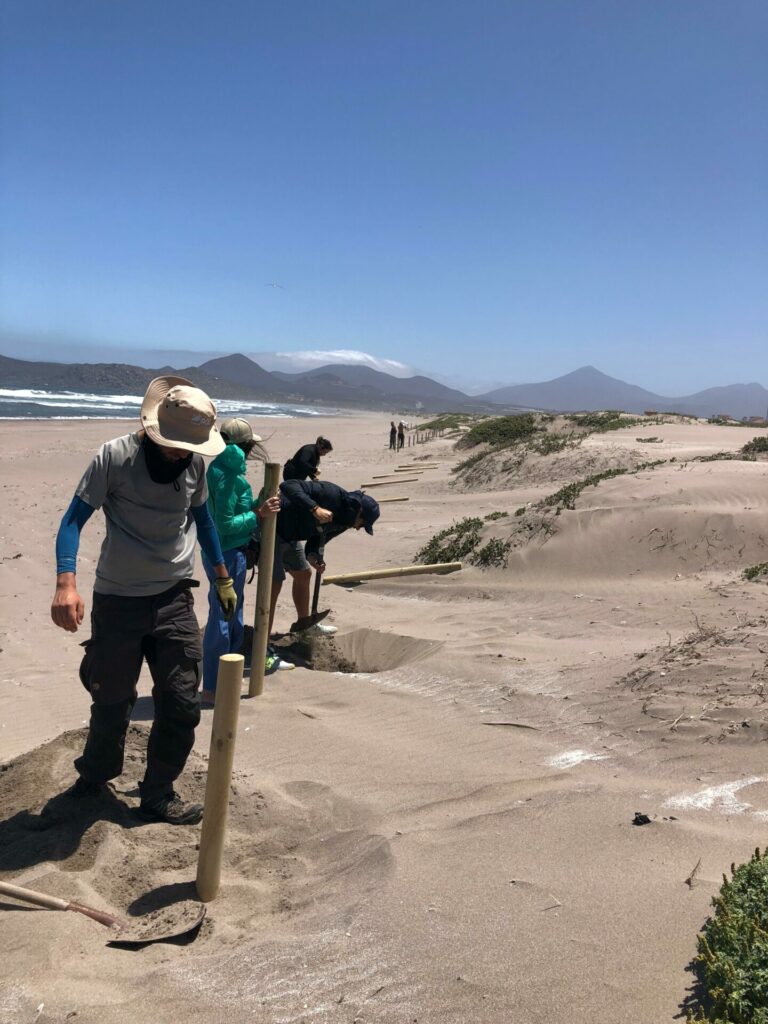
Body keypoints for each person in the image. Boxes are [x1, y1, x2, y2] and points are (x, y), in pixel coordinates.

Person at [51, 376, 237, 826]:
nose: (181, 454)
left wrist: (222, 576)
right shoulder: (114, 457)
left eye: (189, 447)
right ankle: (94, 779)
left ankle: (158, 792)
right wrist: (66, 584)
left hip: (174, 597)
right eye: (174, 445)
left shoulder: (194, 465)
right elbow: (73, 521)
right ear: (154, 432)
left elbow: (204, 523)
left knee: (181, 702)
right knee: (112, 699)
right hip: (118, 600)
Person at [202, 417, 293, 703]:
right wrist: (259, 514)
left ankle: (220, 685)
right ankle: (215, 689)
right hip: (228, 554)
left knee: (229, 615)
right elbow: (226, 523)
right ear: (245, 444)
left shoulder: (221, 467)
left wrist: (257, 506)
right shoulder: (227, 473)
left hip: (223, 552)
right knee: (224, 618)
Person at [268, 479, 380, 636]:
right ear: (359, 511)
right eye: (361, 524)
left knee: (303, 574)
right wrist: (315, 509)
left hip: (290, 536)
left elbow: (318, 538)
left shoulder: (344, 522)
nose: (357, 528)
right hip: (272, 525)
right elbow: (287, 486)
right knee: (274, 583)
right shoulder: (331, 493)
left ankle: (304, 625)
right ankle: (263, 642)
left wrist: (312, 555)